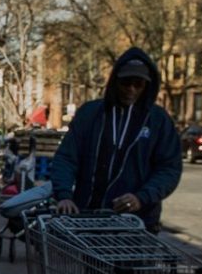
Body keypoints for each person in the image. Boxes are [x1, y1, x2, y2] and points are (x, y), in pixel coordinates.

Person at [49, 48, 183, 232]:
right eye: (125, 83)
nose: (131, 89)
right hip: (88, 216)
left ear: (146, 86)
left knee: (130, 260)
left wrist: (141, 198)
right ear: (115, 82)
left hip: (136, 222)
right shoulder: (90, 114)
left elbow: (169, 168)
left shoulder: (158, 121)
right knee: (88, 261)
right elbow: (66, 157)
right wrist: (64, 194)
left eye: (138, 85)